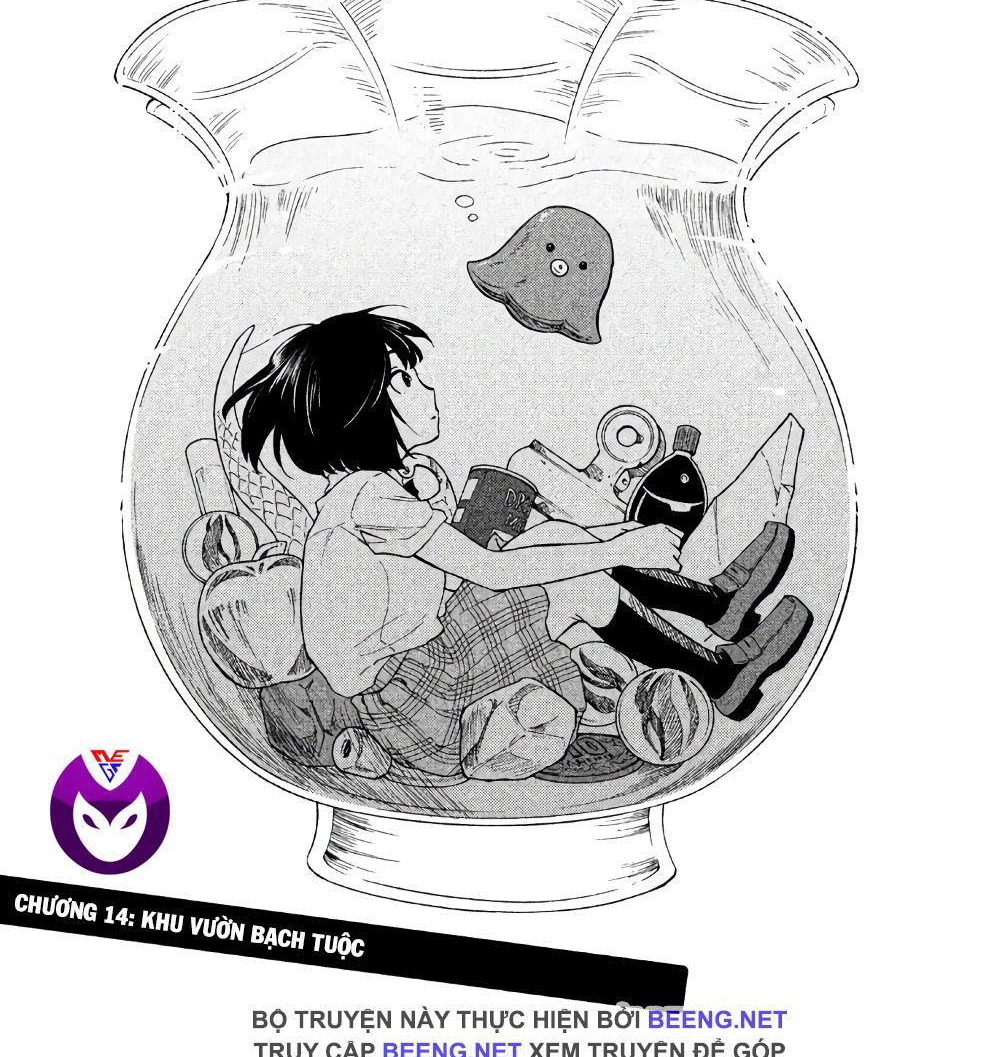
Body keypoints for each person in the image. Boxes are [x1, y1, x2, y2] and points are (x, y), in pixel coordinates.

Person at [225, 309, 810, 777]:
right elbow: (490, 571)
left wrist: (613, 536)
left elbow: (444, 572)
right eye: (405, 380)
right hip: (420, 697)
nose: (427, 386)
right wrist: (621, 548)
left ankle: (715, 606)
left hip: (423, 654)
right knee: (573, 580)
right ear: (362, 412)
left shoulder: (371, 491)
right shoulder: (368, 501)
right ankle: (720, 671)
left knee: (554, 541)